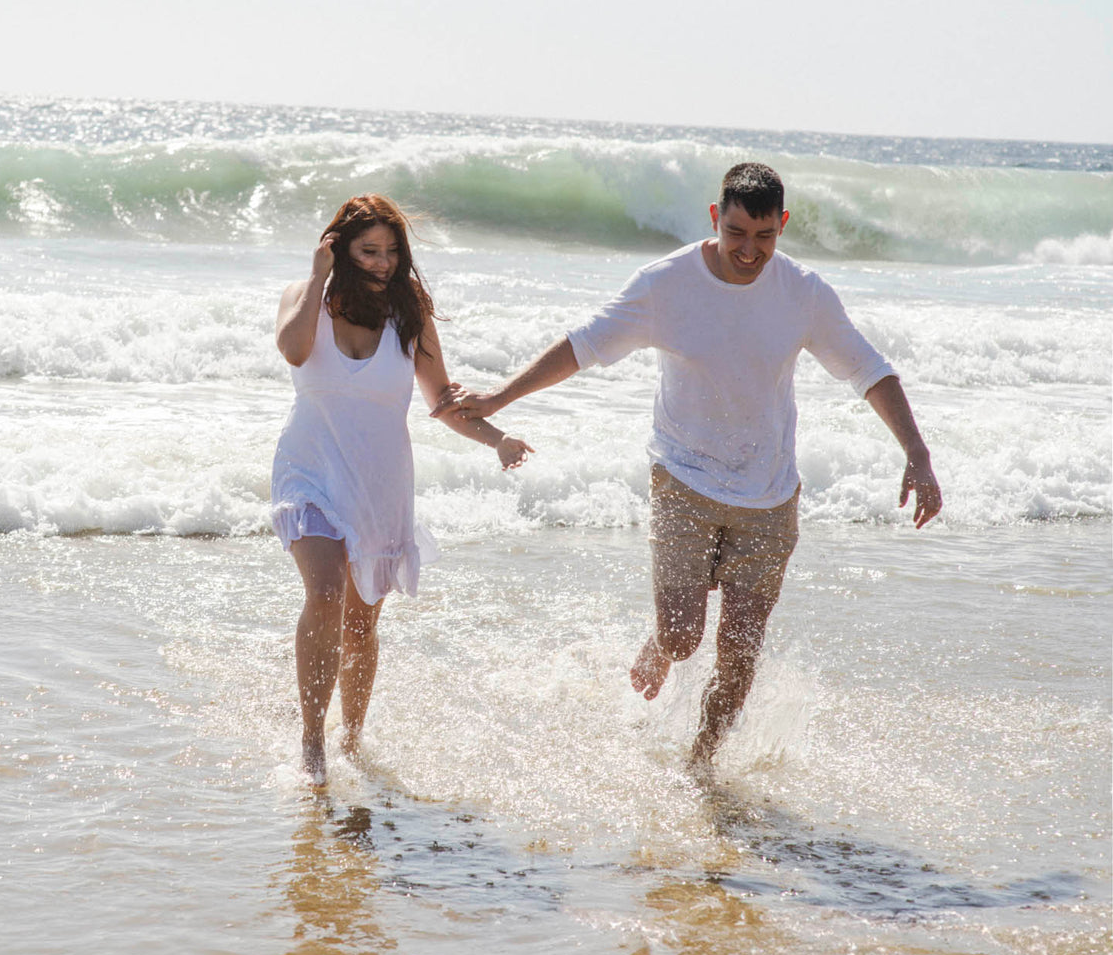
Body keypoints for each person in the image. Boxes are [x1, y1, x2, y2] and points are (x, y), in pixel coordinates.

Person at [433, 163, 941, 767]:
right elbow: (583, 346)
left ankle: (700, 766)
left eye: (764, 237)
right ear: (714, 219)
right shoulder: (666, 285)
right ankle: (662, 640)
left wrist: (918, 453)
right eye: (735, 234)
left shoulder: (803, 294)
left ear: (782, 225)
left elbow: (868, 369)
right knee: (681, 636)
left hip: (770, 496)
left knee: (740, 651)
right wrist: (498, 400)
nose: (749, 251)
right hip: (685, 480)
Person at [272, 194, 533, 784]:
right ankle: (312, 744)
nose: (384, 263)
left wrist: (496, 438)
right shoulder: (303, 297)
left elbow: (441, 399)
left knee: (362, 625)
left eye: (392, 252)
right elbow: (293, 350)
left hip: (380, 480)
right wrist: (318, 276)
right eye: (369, 251)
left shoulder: (409, 310)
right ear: (337, 246)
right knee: (326, 593)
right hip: (309, 469)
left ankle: (352, 740)